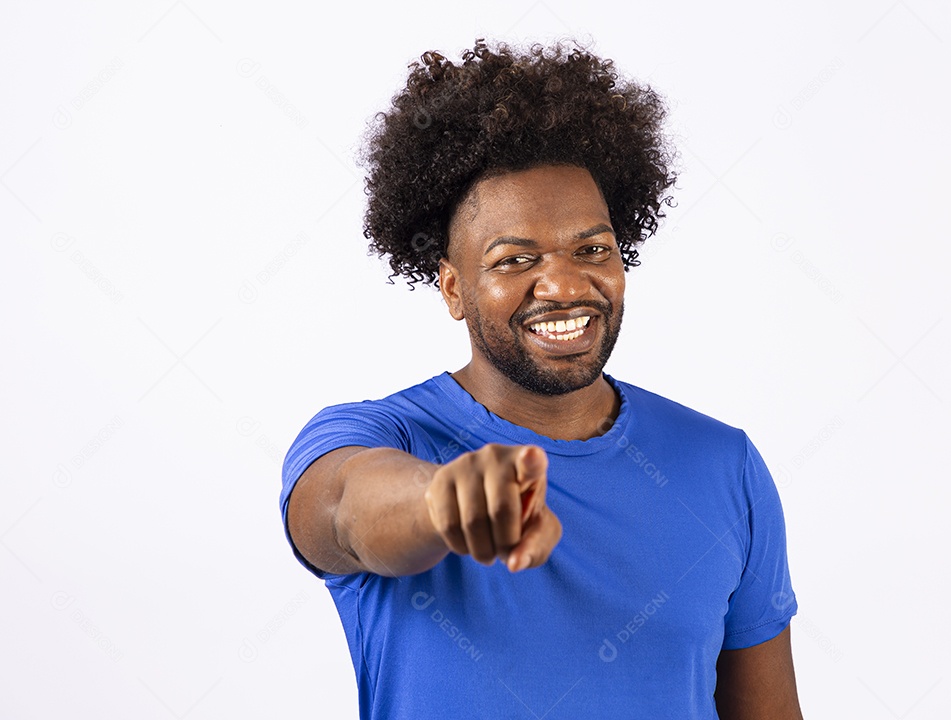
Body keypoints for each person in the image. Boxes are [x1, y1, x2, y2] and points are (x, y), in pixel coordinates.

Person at [280, 39, 803, 719]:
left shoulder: (722, 463)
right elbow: (344, 509)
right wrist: (445, 499)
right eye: (514, 259)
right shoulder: (378, 436)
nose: (562, 283)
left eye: (592, 249)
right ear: (452, 289)